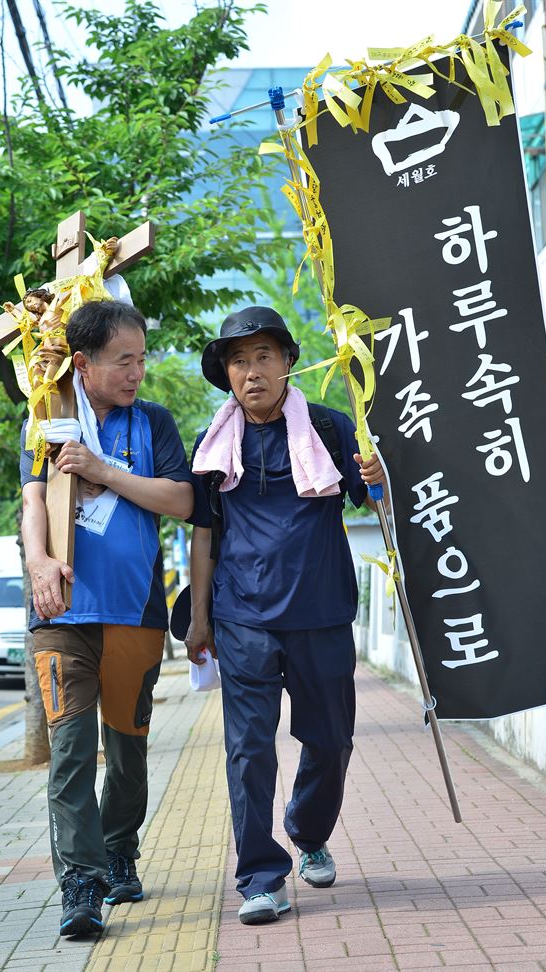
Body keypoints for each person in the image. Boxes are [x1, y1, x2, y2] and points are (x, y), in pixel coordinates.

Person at [185, 305, 385, 926]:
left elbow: (373, 499)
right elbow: (203, 536)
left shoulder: (328, 428)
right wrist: (198, 619)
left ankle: (308, 828)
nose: (251, 372)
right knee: (249, 750)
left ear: (288, 362)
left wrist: (377, 477)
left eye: (263, 356)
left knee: (331, 739)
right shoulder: (214, 443)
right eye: (239, 361)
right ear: (226, 373)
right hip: (242, 615)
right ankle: (260, 877)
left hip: (321, 610)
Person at [20, 300, 193, 938]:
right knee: (69, 753)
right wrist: (38, 561)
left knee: (126, 748)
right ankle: (81, 887)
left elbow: (179, 499)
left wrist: (101, 471)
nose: (137, 373)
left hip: (136, 613)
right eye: (124, 360)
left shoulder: (153, 423)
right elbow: (34, 498)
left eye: (142, 359)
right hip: (60, 612)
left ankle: (120, 848)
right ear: (83, 365)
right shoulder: (46, 416)